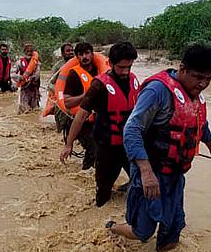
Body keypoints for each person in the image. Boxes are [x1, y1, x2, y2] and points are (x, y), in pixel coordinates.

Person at [108, 44, 211, 252]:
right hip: (150, 172)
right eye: (198, 77)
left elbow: (200, 123)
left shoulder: (195, 94)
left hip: (175, 174)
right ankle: (111, 228)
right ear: (182, 69)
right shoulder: (157, 91)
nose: (203, 84)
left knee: (173, 232)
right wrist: (145, 172)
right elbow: (132, 129)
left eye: (208, 79)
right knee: (142, 232)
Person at [60, 42, 140, 207]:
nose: (125, 72)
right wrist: (68, 144)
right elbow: (81, 116)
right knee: (103, 194)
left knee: (141, 180)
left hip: (129, 144)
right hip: (106, 146)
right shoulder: (98, 85)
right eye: (121, 67)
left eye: (128, 67)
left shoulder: (133, 80)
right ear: (110, 63)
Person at [61, 42, 101, 169]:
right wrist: (85, 96)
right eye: (81, 54)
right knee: (93, 147)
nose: (85, 57)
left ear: (92, 54)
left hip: (97, 119)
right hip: (78, 120)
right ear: (77, 57)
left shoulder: (101, 71)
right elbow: (67, 102)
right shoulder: (73, 75)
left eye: (87, 53)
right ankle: (85, 174)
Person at [46, 43, 75, 132]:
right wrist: (59, 93)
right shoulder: (58, 66)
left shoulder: (79, 63)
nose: (70, 53)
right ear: (62, 54)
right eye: (68, 51)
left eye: (71, 50)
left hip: (75, 96)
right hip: (61, 97)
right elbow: (50, 83)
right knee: (61, 126)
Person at [11, 43, 40, 113]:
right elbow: (12, 74)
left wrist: (33, 78)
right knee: (24, 111)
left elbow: (37, 74)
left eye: (31, 51)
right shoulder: (19, 62)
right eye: (27, 51)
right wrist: (20, 77)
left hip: (35, 90)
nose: (29, 53)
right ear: (25, 51)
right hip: (25, 90)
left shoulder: (37, 63)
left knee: (35, 111)